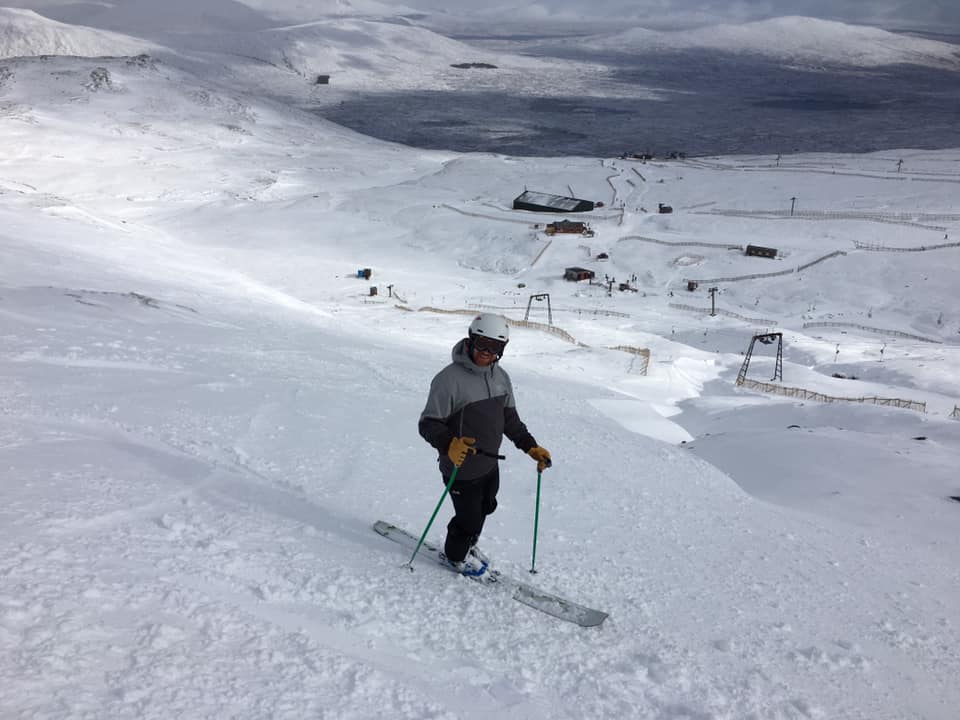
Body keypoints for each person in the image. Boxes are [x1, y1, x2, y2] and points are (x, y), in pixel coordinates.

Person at [418, 313, 551, 579]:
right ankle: (456, 557)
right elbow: (428, 423)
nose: (486, 353)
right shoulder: (448, 379)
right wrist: (448, 444)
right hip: (461, 467)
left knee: (485, 509)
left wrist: (530, 447)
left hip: (489, 465)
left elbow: (510, 420)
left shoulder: (501, 378)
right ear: (470, 340)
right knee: (467, 520)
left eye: (495, 347)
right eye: (482, 344)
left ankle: (468, 545)